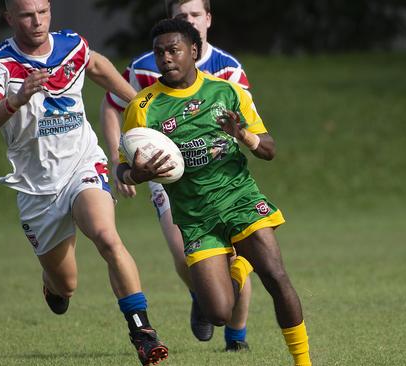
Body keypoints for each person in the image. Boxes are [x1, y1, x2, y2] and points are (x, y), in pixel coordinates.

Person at [0, 0, 168, 364]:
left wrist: (141, 103)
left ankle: (142, 332)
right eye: (27, 15)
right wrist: (15, 99)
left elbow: (97, 66)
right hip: (36, 187)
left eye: (43, 11)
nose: (37, 21)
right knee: (67, 285)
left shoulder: (71, 45)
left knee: (107, 237)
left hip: (82, 163)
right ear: (9, 18)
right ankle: (52, 287)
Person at [117, 18, 312, 366]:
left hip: (239, 199)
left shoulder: (227, 92)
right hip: (195, 217)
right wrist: (135, 173)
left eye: (174, 50)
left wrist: (244, 136)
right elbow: (122, 168)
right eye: (159, 52)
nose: (166, 59)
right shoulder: (143, 108)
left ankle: (303, 361)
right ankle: (238, 268)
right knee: (219, 313)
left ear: (193, 51)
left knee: (276, 275)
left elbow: (268, 150)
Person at [100, 0, 252, 351]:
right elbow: (112, 103)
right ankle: (201, 291)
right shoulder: (145, 67)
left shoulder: (228, 70)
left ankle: (236, 339)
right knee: (184, 253)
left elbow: (244, 122)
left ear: (209, 19)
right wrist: (116, 156)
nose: (190, 21)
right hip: (166, 174)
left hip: (219, 175)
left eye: (196, 15)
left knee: (237, 259)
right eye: (182, 16)